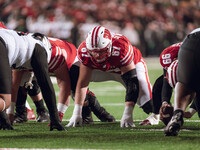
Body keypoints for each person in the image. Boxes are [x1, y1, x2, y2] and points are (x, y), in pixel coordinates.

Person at [10, 35, 115, 124]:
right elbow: (14, 85)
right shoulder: (22, 53)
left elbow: (65, 87)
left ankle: (97, 112)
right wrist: (10, 112)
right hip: (39, 57)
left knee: (76, 86)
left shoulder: (57, 55)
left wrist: (58, 116)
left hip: (68, 58)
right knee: (23, 82)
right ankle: (26, 113)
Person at [66, 26, 153, 128]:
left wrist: (128, 113)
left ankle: (155, 116)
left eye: (101, 51)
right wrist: (77, 112)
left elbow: (131, 81)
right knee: (73, 75)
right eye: (93, 52)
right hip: (102, 70)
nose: (97, 55)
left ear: (109, 46)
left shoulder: (121, 46)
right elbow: (82, 83)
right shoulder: (84, 50)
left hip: (126, 68)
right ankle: (88, 113)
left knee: (149, 105)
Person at [0, 28, 65, 131]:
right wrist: (55, 119)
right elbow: (46, 85)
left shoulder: (23, 43)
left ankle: (3, 121)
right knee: (4, 101)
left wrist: (5, 120)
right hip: (2, 43)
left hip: (3, 40)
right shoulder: (38, 49)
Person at [164, 28, 200, 136]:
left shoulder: (170, 53)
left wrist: (190, 111)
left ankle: (177, 113)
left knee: (185, 83)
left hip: (190, 42)